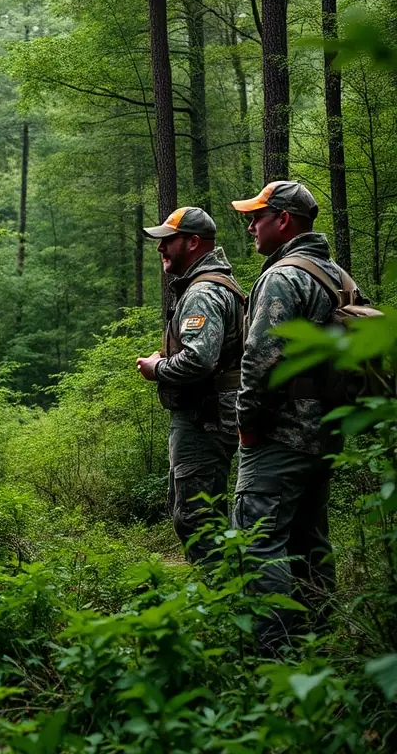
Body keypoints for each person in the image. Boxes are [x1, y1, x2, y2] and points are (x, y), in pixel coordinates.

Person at [230, 180, 358, 651]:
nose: (250, 224)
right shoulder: (337, 275)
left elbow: (260, 357)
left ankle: (274, 659)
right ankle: (323, 647)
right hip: (326, 432)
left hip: (279, 435)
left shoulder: (283, 276)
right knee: (310, 543)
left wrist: (246, 424)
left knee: (257, 543)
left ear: (283, 220)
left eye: (257, 216)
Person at [136, 207, 244, 563]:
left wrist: (158, 368)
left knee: (198, 518)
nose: (160, 248)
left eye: (167, 241)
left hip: (204, 418)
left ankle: (221, 604)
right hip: (211, 414)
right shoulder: (214, 285)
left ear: (193, 242)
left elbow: (200, 359)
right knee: (205, 513)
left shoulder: (203, 292)